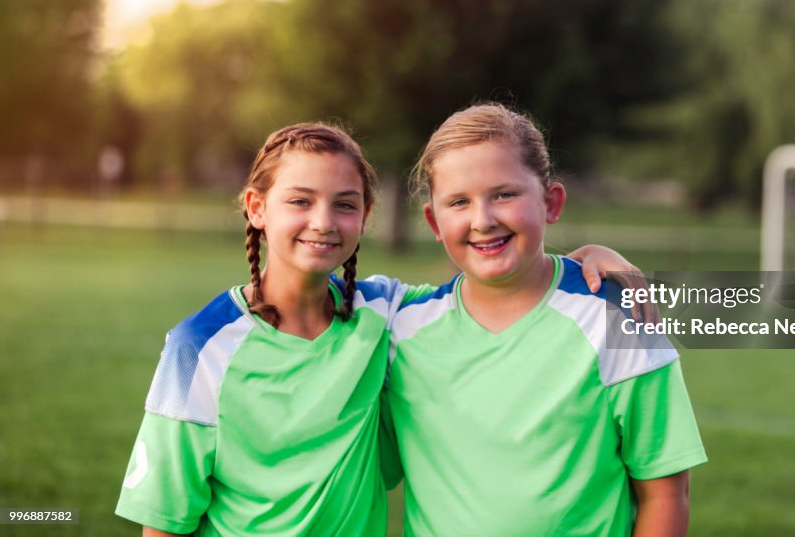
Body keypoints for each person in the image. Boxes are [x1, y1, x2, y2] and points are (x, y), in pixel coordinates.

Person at [115, 122, 639, 536]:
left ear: (365, 216)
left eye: (345, 204)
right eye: (300, 200)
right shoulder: (198, 348)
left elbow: (494, 282)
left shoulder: (383, 313)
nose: (323, 221)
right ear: (256, 209)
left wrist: (587, 259)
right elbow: (164, 519)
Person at [386, 103, 707, 536]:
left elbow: (665, 495)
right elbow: (304, 296)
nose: (483, 219)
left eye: (504, 194)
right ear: (434, 222)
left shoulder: (615, 317)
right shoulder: (399, 325)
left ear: (550, 202)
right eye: (459, 202)